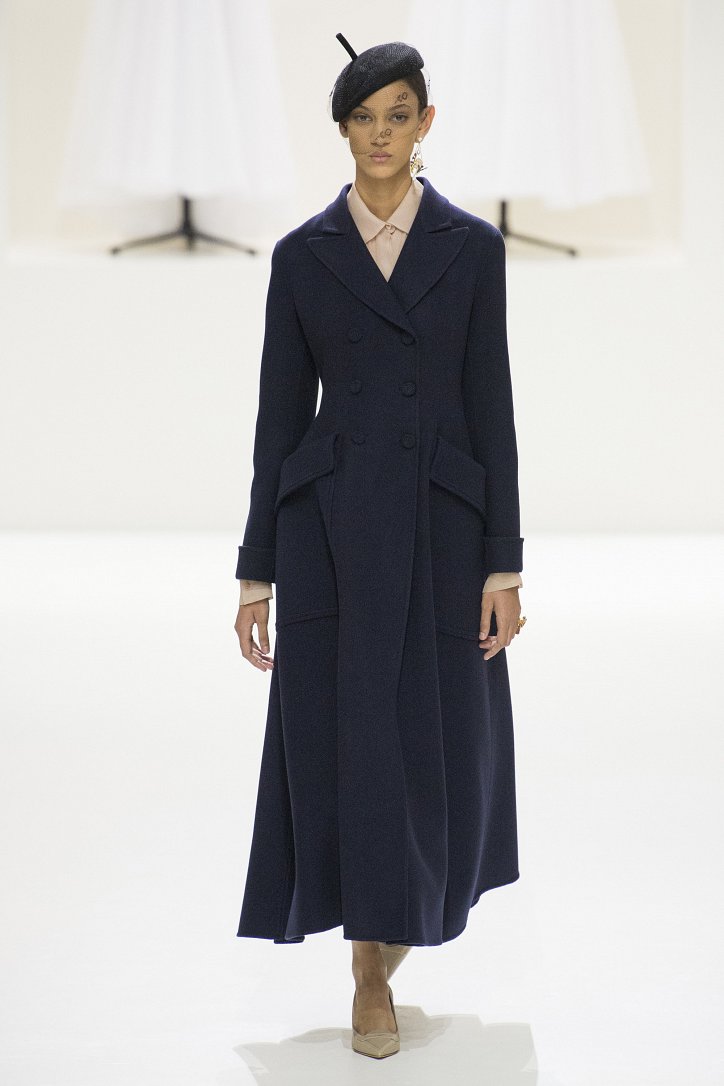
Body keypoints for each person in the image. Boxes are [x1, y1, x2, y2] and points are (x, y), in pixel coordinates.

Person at [233, 34, 527, 1059]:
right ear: (343, 130)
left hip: (442, 527)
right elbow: (278, 421)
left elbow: (491, 406)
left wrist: (504, 559)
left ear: (425, 123)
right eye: (363, 117)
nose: (381, 135)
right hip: (330, 527)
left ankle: (398, 930)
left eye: (398, 115)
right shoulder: (302, 256)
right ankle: (368, 969)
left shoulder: (471, 249)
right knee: (348, 738)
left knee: (440, 739)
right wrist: (256, 573)